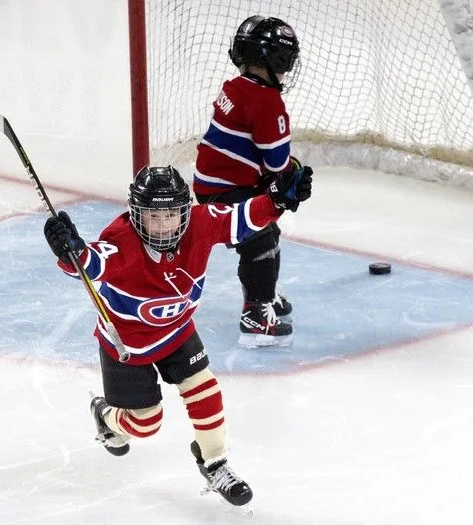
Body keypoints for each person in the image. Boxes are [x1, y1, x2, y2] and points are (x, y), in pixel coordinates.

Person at [43, 164, 312, 506]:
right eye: (154, 216)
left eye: (171, 214)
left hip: (178, 332)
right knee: (146, 424)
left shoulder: (200, 224)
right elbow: (90, 262)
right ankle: (105, 417)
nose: (164, 224)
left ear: (185, 211)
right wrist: (71, 252)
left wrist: (276, 200)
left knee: (206, 389)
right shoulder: (121, 238)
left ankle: (215, 464)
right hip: (128, 345)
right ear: (136, 215)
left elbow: (240, 218)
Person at [193, 15, 302, 348]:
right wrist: (290, 174)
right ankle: (255, 314)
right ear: (276, 60)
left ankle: (262, 294)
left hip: (209, 185)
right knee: (262, 238)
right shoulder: (268, 102)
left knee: (265, 232)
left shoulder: (234, 87)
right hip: (227, 191)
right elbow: (276, 162)